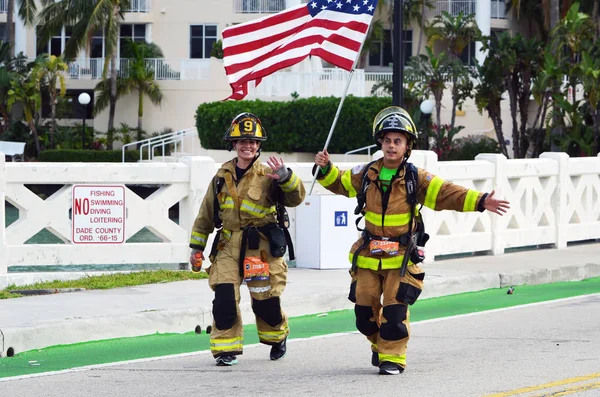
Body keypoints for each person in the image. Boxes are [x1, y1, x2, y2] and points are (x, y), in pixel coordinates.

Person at [314, 106, 510, 375]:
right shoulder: (367, 174)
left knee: (394, 315)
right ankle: (380, 345)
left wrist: (481, 200)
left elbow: (447, 194)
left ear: (407, 146)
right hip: (369, 255)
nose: (391, 146)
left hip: (401, 258)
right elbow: (340, 183)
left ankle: (392, 358)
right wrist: (325, 169)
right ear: (380, 143)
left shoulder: (416, 179)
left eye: (398, 141)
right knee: (364, 317)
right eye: (387, 141)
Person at [189, 112, 306, 366]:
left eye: (253, 141)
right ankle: (225, 350)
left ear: (259, 146)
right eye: (242, 141)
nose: (248, 145)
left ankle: (277, 337)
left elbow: (296, 198)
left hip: (260, 247)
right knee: (224, 299)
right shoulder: (221, 177)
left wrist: (287, 178)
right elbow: (206, 214)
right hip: (228, 244)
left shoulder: (269, 174)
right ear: (233, 144)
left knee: (266, 301)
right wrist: (196, 247)